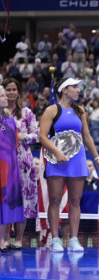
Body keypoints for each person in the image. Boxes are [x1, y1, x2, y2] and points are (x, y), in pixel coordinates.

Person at [38, 77, 99, 252]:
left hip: (77, 161)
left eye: (77, 87)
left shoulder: (81, 111)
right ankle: (55, 239)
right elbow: (42, 137)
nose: (77, 90)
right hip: (56, 161)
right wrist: (57, 153)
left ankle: (74, 239)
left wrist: (97, 159)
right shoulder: (51, 110)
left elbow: (87, 137)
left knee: (75, 202)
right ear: (64, 90)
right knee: (55, 201)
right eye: (73, 87)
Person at [2, 78, 39, 250]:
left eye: (13, 89)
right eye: (7, 90)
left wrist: (24, 137)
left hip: (23, 162)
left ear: (18, 92)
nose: (10, 93)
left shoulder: (26, 113)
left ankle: (19, 239)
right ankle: (5, 239)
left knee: (22, 200)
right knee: (7, 199)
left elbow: (37, 134)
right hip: (5, 163)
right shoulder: (1, 113)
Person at [0, 86, 25, 253]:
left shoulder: (10, 119)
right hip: (1, 163)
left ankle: (3, 240)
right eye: (2, 95)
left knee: (7, 202)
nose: (5, 98)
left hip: (12, 164)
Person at [78, 159, 99, 248]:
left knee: (97, 246)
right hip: (81, 219)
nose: (88, 168)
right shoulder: (77, 184)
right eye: (86, 166)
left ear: (93, 168)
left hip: (97, 218)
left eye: (90, 166)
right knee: (81, 246)